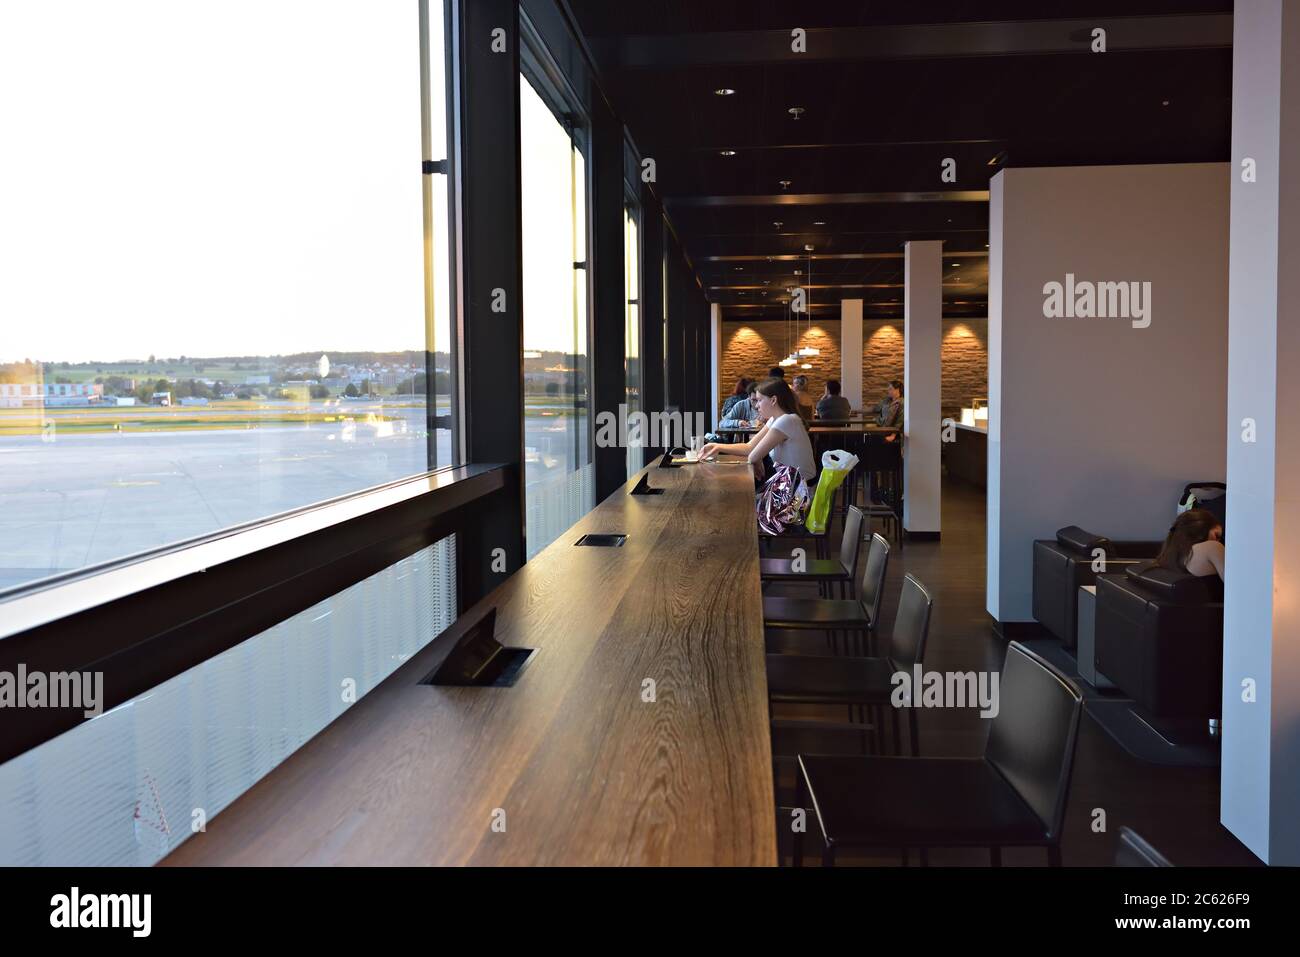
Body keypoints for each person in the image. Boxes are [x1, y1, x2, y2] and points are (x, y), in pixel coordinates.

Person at [699, 378, 817, 534]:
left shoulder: (787, 421)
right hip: (789, 490)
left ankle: (744, 552)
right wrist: (717, 446)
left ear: (773, 400)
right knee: (735, 503)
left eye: (760, 400)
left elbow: (752, 455)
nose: (756, 405)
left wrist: (756, 459)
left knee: (733, 505)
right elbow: (750, 448)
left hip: (798, 498)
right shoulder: (777, 420)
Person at [1154, 508, 1225, 597]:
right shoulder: (1211, 547)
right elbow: (1237, 586)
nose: (1218, 542)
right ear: (1200, 529)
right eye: (1216, 535)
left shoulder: (1170, 555)